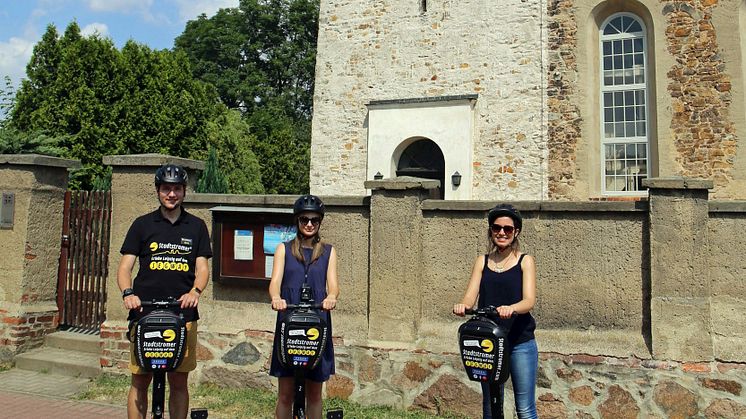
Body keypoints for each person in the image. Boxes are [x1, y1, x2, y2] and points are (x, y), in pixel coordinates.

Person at [117, 163, 212, 419]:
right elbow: (125, 267)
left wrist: (196, 291)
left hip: (183, 315)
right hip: (144, 313)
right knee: (140, 379)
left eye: (177, 189)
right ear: (158, 191)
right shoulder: (142, 224)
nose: (172, 194)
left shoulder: (197, 226)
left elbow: (202, 267)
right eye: (166, 189)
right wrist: (128, 293)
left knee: (179, 381)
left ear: (184, 191)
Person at [453, 204, 538, 419]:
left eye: (507, 229)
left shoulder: (524, 261)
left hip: (520, 341)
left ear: (516, 231)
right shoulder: (482, 261)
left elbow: (529, 301)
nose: (501, 233)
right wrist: (462, 305)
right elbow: (470, 296)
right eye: (496, 228)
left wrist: (512, 308)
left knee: (525, 409)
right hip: (488, 343)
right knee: (490, 406)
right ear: (491, 231)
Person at [269, 194, 339, 419]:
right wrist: (276, 298)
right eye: (304, 219)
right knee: (285, 394)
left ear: (320, 222)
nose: (309, 224)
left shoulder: (328, 251)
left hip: (317, 323)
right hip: (289, 323)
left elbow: (334, 286)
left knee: (315, 394)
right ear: (297, 221)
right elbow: (274, 284)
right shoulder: (284, 249)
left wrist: (332, 298)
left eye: (314, 220)